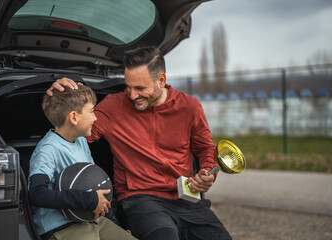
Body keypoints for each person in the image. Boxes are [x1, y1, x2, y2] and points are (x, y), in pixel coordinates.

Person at [47, 46, 231, 240]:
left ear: (161, 80)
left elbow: (205, 149)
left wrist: (208, 173)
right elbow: (74, 132)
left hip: (186, 198)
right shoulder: (113, 106)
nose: (132, 95)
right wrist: (62, 99)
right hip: (141, 199)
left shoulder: (190, 106)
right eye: (129, 86)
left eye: (140, 88)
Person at [28, 85, 137, 240]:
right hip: (60, 227)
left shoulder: (81, 141)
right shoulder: (48, 150)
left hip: (92, 219)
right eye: (92, 111)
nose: (95, 118)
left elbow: (96, 185)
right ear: (74, 117)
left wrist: (115, 223)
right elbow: (37, 194)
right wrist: (89, 199)